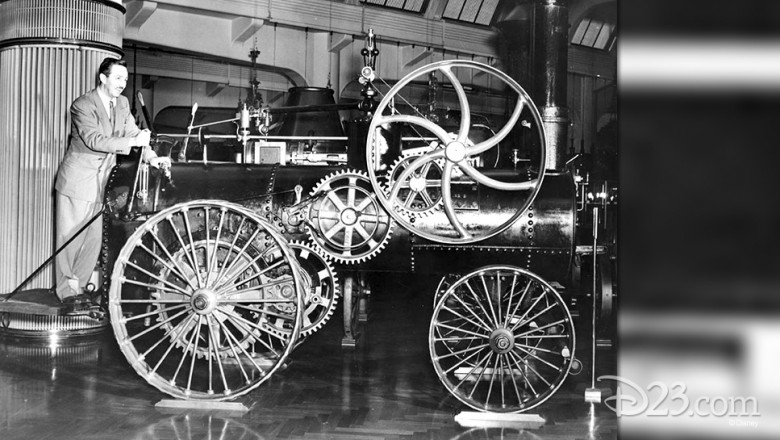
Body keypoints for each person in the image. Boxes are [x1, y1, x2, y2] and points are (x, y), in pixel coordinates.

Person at [54, 57, 169, 306]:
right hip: (79, 180)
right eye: (117, 78)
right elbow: (95, 139)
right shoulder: (82, 105)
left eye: (125, 80)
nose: (122, 84)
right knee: (71, 239)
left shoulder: (123, 103)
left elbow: (133, 133)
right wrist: (133, 143)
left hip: (104, 180)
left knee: (94, 239)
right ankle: (66, 292)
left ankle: (80, 290)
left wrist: (152, 157)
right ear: (103, 78)